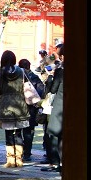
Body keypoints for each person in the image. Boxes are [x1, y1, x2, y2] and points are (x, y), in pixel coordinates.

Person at [0, 50, 31, 168]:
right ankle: (19, 160)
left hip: (6, 105)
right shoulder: (21, 71)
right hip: (20, 104)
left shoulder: (0, 73)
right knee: (19, 134)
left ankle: (10, 161)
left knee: (8, 134)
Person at [41, 43, 64, 173]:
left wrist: (50, 76)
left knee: (54, 134)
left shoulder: (60, 69)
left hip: (60, 103)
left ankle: (56, 163)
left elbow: (53, 88)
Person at [18, 58, 44, 162]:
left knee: (18, 131)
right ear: (29, 66)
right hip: (31, 108)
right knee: (29, 132)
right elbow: (41, 91)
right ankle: (27, 153)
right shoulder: (35, 77)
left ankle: (19, 152)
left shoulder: (17, 77)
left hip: (19, 107)